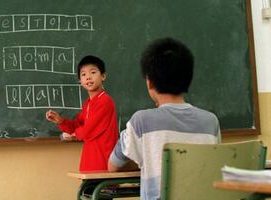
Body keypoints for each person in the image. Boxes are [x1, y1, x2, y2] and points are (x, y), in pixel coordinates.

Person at [107, 38, 221, 200]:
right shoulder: (211, 122)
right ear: (188, 79)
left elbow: (113, 166)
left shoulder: (141, 122)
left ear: (150, 82)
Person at [46, 55, 118, 172]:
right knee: (87, 190)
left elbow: (87, 130)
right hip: (90, 162)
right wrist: (61, 121)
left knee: (99, 190)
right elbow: (79, 124)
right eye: (83, 74)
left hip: (102, 163)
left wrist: (73, 135)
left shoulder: (105, 101)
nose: (88, 77)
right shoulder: (89, 103)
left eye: (93, 72)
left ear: (103, 76)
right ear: (80, 81)